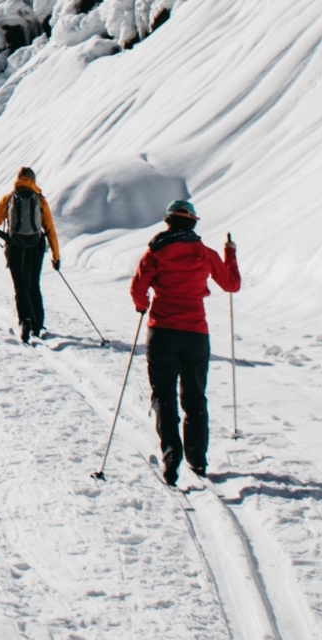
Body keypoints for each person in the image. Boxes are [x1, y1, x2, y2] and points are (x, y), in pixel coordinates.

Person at [129, 197, 240, 486]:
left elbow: (138, 287)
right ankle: (198, 460)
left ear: (168, 222)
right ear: (192, 222)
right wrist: (231, 254)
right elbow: (231, 284)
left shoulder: (154, 251)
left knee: (164, 396)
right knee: (194, 396)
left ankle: (171, 453)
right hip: (196, 333)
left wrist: (143, 305)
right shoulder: (204, 253)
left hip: (162, 331)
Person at [0, 167, 60, 343]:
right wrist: (56, 256)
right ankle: (37, 325)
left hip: (16, 247)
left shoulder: (9, 197)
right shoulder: (39, 200)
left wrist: (7, 233)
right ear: (33, 180)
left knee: (20, 285)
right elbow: (50, 229)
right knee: (34, 283)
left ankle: (25, 320)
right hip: (36, 247)